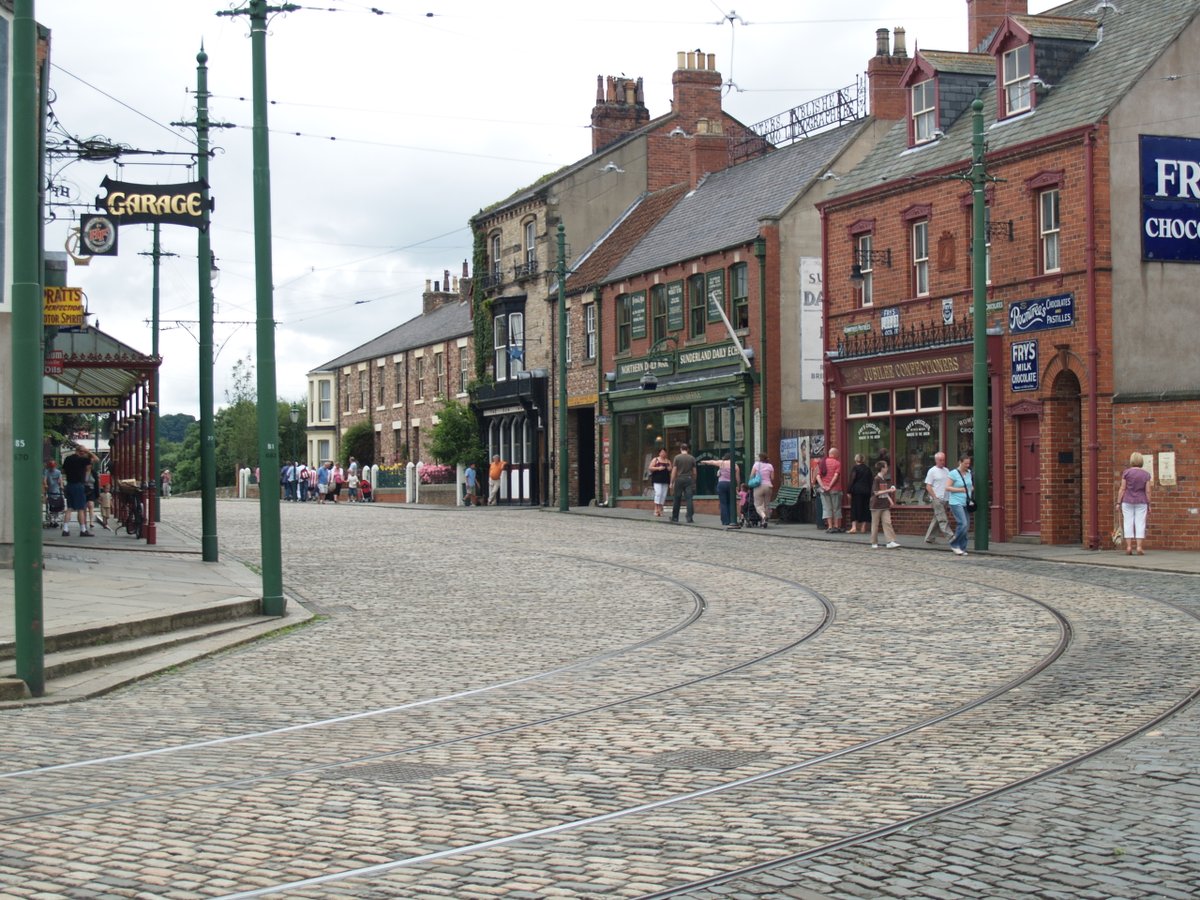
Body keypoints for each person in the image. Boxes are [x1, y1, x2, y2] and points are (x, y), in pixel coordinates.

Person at [1117, 452, 1152, 556]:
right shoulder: (1146, 474)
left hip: (1127, 500)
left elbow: (1122, 488)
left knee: (1128, 523)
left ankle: (1128, 547)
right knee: (1140, 523)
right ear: (1141, 461)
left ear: (1131, 461)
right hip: (1141, 501)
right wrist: (1149, 504)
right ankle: (1139, 547)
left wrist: (1118, 502)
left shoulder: (1126, 473)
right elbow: (1148, 491)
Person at [61, 444, 94, 537]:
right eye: (83, 452)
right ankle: (83, 530)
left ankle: (65, 529)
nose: (84, 453)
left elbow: (63, 471)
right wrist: (88, 451)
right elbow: (95, 459)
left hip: (69, 485)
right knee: (80, 508)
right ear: (80, 452)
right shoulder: (81, 460)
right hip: (78, 485)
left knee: (69, 508)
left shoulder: (68, 459)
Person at [923, 451, 955, 543]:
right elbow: (928, 486)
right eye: (940, 460)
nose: (942, 462)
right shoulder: (932, 471)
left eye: (943, 460)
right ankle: (951, 538)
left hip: (945, 498)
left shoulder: (946, 470)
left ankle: (929, 538)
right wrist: (934, 497)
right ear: (936, 460)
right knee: (942, 519)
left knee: (937, 518)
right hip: (936, 498)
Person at [700, 453, 740, 526]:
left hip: (721, 484)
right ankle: (732, 520)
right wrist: (738, 486)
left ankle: (725, 521)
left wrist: (704, 461)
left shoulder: (721, 463)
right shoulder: (735, 465)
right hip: (731, 484)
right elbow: (737, 478)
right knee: (731, 503)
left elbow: (712, 462)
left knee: (723, 503)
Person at [946, 454, 974, 556]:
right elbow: (947, 487)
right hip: (955, 502)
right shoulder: (953, 473)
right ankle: (954, 544)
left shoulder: (969, 473)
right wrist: (960, 490)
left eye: (969, 463)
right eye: (965, 463)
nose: (967, 465)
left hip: (966, 502)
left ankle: (962, 547)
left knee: (966, 526)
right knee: (963, 523)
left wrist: (971, 489)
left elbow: (970, 485)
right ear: (960, 462)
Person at [869, 459, 901, 548]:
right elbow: (876, 492)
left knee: (887, 522)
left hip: (884, 505)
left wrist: (890, 500)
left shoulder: (884, 479)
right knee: (875, 524)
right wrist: (889, 490)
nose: (887, 469)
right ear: (882, 468)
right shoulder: (877, 479)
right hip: (876, 505)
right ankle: (874, 542)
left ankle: (890, 541)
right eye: (886, 467)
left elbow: (884, 493)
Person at [669, 442, 697, 524]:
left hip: (679, 479)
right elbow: (694, 472)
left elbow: (674, 471)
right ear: (687, 449)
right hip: (689, 479)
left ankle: (675, 517)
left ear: (681, 449)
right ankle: (689, 518)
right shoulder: (692, 458)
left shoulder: (677, 458)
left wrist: (672, 482)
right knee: (689, 499)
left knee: (677, 498)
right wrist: (694, 481)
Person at [818, 448, 843, 533]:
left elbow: (818, 476)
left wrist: (823, 486)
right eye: (838, 454)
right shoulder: (837, 463)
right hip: (835, 489)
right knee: (836, 508)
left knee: (827, 508)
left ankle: (829, 526)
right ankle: (836, 526)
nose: (839, 456)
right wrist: (830, 486)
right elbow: (836, 476)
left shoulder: (822, 462)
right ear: (835, 454)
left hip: (824, 489)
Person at [846, 453, 873, 535]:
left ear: (856, 459)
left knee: (855, 508)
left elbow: (852, 480)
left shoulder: (855, 468)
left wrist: (849, 491)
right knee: (865, 508)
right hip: (866, 491)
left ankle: (854, 527)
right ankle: (863, 527)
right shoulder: (867, 469)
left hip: (856, 491)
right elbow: (871, 481)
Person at [749, 452, 775, 528]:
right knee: (766, 505)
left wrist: (751, 481)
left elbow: (751, 475)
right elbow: (772, 478)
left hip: (759, 486)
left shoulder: (756, 464)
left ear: (760, 458)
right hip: (768, 486)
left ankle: (763, 517)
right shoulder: (770, 466)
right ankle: (764, 522)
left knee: (758, 505)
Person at [648, 448, 672, 518]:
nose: (663, 454)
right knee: (658, 493)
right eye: (662, 452)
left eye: (664, 452)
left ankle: (661, 508)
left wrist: (669, 468)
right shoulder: (656, 459)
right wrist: (658, 468)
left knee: (663, 494)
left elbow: (671, 468)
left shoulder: (668, 461)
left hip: (665, 479)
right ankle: (656, 508)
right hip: (657, 479)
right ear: (659, 453)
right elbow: (650, 467)